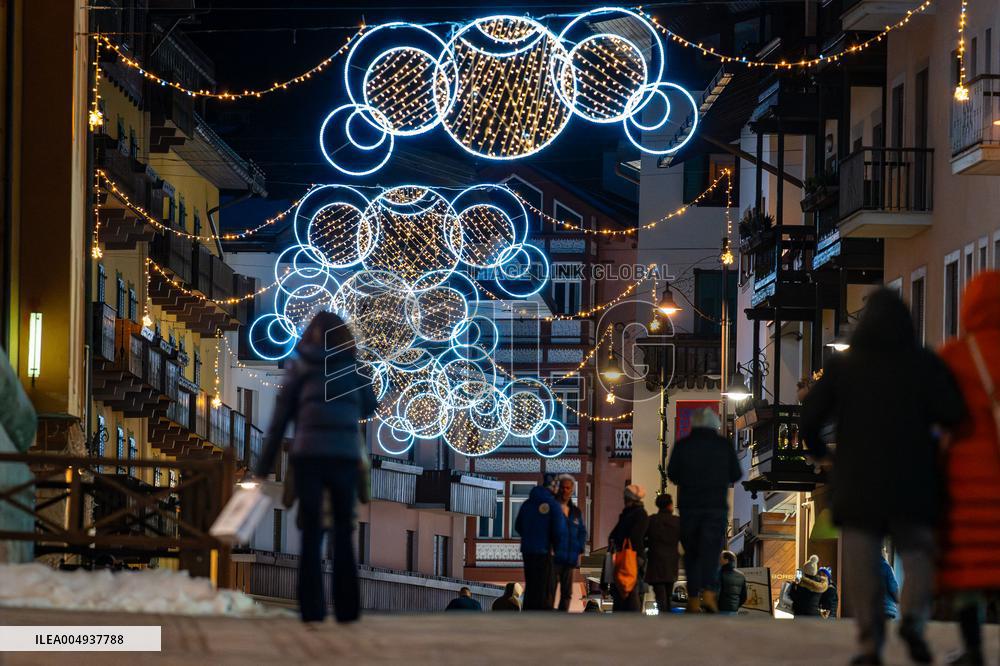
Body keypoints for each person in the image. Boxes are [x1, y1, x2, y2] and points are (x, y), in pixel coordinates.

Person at [801, 288, 965, 665]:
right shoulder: (923, 363)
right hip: (913, 479)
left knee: (861, 559)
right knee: (918, 553)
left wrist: (823, 454)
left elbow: (810, 415)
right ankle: (912, 619)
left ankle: (870, 643)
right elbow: (953, 413)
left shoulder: (847, 366)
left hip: (859, 480)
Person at [254, 312, 377, 624]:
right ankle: (348, 611)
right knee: (343, 532)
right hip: (345, 457)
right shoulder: (354, 368)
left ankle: (312, 610)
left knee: (311, 533)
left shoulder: (300, 368)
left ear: (310, 336)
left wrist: (262, 469)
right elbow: (370, 405)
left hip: (308, 457)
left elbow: (279, 422)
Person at [937, 271, 1000, 666]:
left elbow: (940, 414)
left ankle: (974, 650)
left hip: (966, 479)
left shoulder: (956, 356)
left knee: (970, 567)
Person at [666, 408, 741, 613]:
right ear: (714, 425)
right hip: (715, 508)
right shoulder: (723, 445)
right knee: (711, 551)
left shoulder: (683, 445)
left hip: (690, 508)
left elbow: (672, 473)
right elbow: (736, 474)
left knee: (691, 553)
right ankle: (708, 593)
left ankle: (692, 598)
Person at [515, 473, 567, 610]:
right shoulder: (553, 505)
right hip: (544, 552)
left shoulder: (527, 504)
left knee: (531, 585)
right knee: (544, 588)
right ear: (554, 487)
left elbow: (518, 526)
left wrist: (529, 537)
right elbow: (559, 531)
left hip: (528, 551)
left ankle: (529, 612)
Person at [608, 484, 649, 612]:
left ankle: (630, 616)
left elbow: (630, 537)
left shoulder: (634, 515)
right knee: (629, 588)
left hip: (629, 557)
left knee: (628, 588)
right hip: (633, 556)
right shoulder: (637, 514)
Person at [552, 474, 587, 611]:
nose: (564, 490)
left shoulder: (575, 512)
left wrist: (579, 548)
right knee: (550, 590)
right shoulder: (551, 508)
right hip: (554, 557)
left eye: (568, 488)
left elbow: (582, 531)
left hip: (570, 558)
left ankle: (562, 619)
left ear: (572, 490)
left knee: (567, 593)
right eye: (562, 487)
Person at [644, 493, 680, 615]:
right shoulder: (677, 521)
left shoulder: (651, 520)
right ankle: (667, 615)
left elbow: (641, 539)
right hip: (671, 562)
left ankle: (663, 614)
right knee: (669, 593)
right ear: (670, 505)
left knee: (659, 595)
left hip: (655, 562)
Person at [880, 554, 899, 621]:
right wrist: (897, 599)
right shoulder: (886, 566)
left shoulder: (864, 568)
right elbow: (893, 587)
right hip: (887, 609)